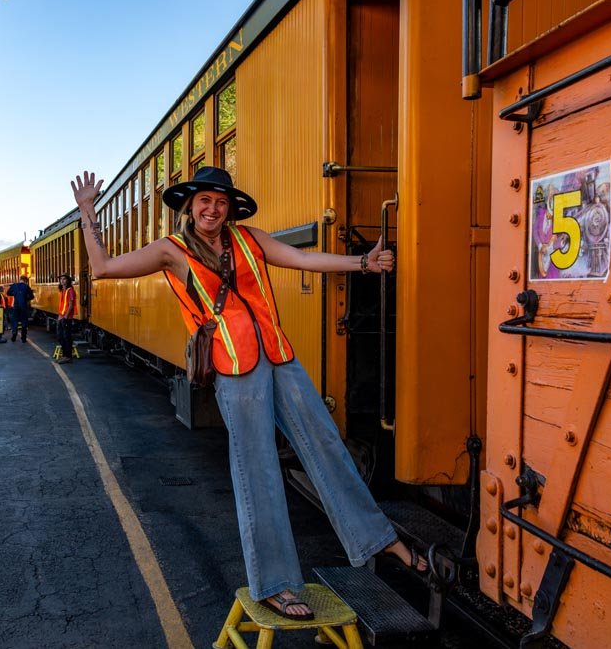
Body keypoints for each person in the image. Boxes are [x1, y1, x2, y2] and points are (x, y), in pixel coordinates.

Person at [68, 167, 425, 621]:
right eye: (204, 201)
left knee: (325, 445)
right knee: (257, 470)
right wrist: (88, 214)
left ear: (230, 207)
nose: (212, 209)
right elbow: (102, 269)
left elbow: (303, 260)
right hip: (234, 368)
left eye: (221, 202)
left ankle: (377, 538)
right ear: (189, 206)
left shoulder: (250, 240)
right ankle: (275, 584)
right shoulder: (171, 251)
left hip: (279, 357)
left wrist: (362, 263)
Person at [7, 275, 35, 342]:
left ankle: (14, 333)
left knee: (15, 320)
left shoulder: (14, 285)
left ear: (19, 279)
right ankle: (23, 337)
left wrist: (15, 294)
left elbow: (8, 293)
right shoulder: (26, 286)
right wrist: (26, 298)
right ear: (25, 280)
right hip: (24, 306)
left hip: (16, 305)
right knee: (24, 321)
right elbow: (32, 296)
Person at [56, 274, 77, 363]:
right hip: (62, 316)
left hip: (66, 317)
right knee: (61, 336)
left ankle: (67, 356)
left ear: (68, 281)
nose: (62, 281)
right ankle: (65, 355)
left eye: (64, 279)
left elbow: (71, 305)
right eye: (61, 279)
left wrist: (65, 316)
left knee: (66, 337)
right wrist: (60, 316)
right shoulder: (63, 290)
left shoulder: (70, 290)